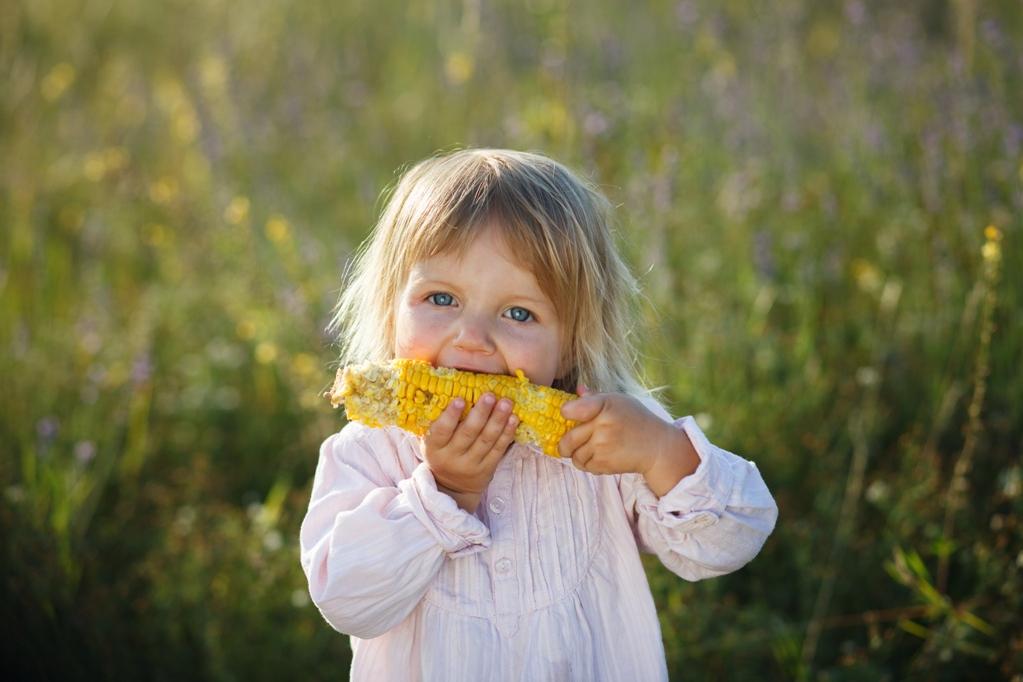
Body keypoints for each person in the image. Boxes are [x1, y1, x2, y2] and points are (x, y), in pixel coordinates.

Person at [300, 148, 778, 681]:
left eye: (519, 313)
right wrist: (444, 494)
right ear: (391, 305)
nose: (473, 338)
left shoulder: (607, 436)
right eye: (441, 299)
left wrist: (663, 452)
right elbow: (348, 600)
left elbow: (728, 543)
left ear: (573, 339)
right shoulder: (369, 450)